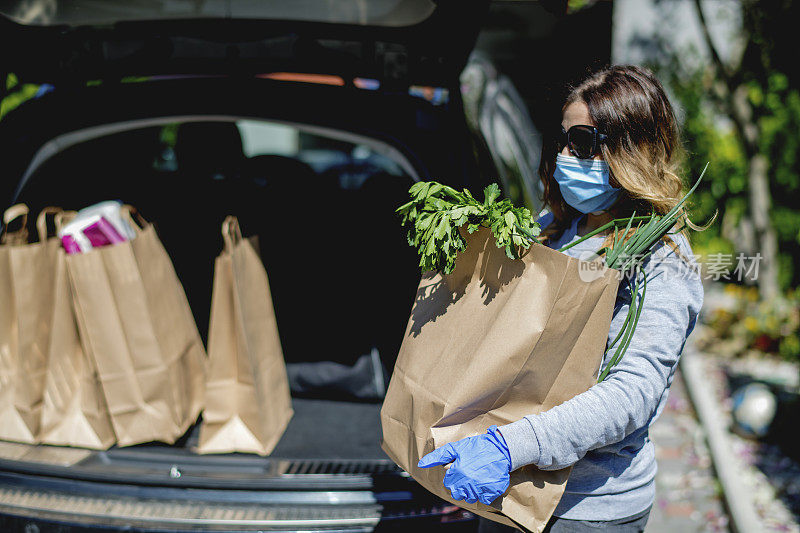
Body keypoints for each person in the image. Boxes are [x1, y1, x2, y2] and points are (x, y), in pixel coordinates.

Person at [417, 65, 704, 532]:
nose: (566, 154)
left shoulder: (662, 258)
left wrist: (509, 447)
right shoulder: (554, 226)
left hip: (583, 510)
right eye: (565, 139)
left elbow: (630, 394)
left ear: (631, 149)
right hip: (507, 491)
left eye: (585, 142)